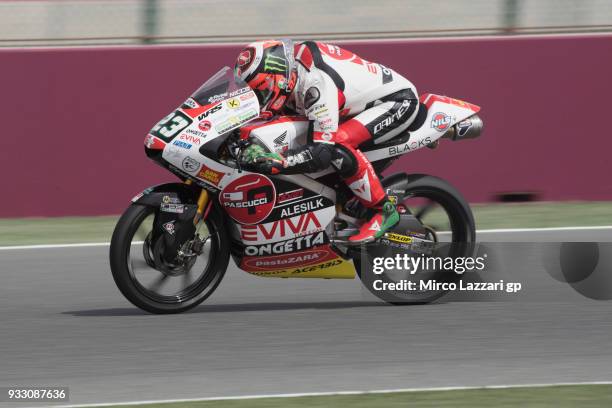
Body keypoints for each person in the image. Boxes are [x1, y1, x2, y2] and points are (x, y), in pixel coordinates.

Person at [235, 39, 418, 244]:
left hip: (396, 101)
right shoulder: (291, 72)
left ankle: (384, 211)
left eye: (260, 91)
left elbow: (321, 153)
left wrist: (278, 162)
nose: (259, 99)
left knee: (337, 143)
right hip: (353, 103)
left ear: (279, 79)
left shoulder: (316, 85)